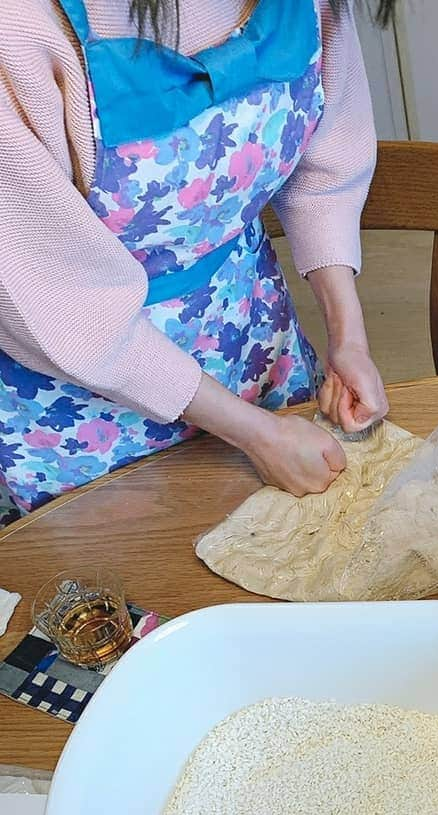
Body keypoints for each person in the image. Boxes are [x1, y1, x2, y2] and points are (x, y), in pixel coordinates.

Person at [0, 0, 393, 526]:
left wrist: (348, 337)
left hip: (249, 330)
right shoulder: (20, 27)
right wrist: (257, 434)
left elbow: (328, 170)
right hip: (84, 399)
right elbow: (56, 299)